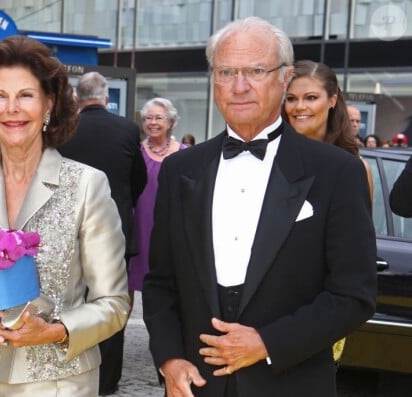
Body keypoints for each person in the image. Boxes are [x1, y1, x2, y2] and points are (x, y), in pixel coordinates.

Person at [142, 16, 377, 397]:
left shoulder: (337, 172)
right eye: (226, 72)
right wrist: (169, 359)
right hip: (197, 386)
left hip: (292, 383)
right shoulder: (180, 170)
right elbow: (161, 284)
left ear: (284, 79)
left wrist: (268, 342)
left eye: (255, 70)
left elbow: (354, 295)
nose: (239, 86)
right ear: (213, 79)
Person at [0, 35, 130, 396]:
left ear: (49, 105)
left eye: (25, 95)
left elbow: (114, 304)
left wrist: (54, 331)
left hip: (60, 383)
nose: (12, 108)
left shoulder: (87, 185)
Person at [59, 71, 147, 395]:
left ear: (78, 98)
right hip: (116, 226)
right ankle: (107, 380)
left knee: (71, 299)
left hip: (68, 226)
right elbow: (139, 179)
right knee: (111, 301)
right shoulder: (126, 128)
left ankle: (70, 366)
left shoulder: (66, 127)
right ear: (106, 96)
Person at [284, 60, 374, 203]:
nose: (299, 106)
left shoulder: (352, 167)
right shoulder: (271, 157)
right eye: (291, 98)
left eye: (311, 98)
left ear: (332, 101)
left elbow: (358, 224)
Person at [129, 97, 186, 301]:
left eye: (159, 118)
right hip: (139, 227)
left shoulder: (184, 154)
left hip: (168, 228)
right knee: (129, 285)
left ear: (170, 122)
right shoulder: (135, 152)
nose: (152, 122)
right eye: (148, 118)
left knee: (165, 289)